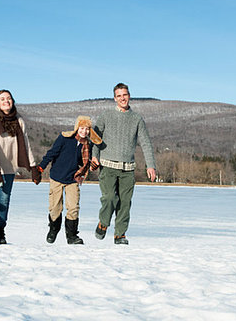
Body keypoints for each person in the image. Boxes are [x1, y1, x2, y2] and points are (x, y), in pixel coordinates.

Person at [91, 83, 156, 245]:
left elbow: (146, 143)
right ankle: (103, 223)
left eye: (125, 95)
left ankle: (120, 234)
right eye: (119, 96)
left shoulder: (137, 119)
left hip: (128, 168)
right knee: (110, 198)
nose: (122, 98)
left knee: (125, 203)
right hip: (108, 166)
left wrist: (151, 165)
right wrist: (94, 156)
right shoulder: (106, 116)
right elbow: (95, 139)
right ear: (114, 98)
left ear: (129, 96)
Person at [0, 89, 39, 244]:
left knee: (4, 200)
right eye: (2, 99)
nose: (6, 101)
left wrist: (33, 167)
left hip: (9, 167)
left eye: (9, 98)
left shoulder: (19, 120)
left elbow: (26, 144)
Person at [36, 116, 102, 245]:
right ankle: (54, 229)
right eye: (82, 128)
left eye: (87, 129)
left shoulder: (87, 145)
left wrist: (92, 165)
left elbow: (85, 162)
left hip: (72, 179)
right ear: (77, 128)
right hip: (57, 177)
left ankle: (71, 236)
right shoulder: (65, 138)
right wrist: (41, 167)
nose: (84, 131)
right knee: (55, 207)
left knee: (73, 207)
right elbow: (52, 153)